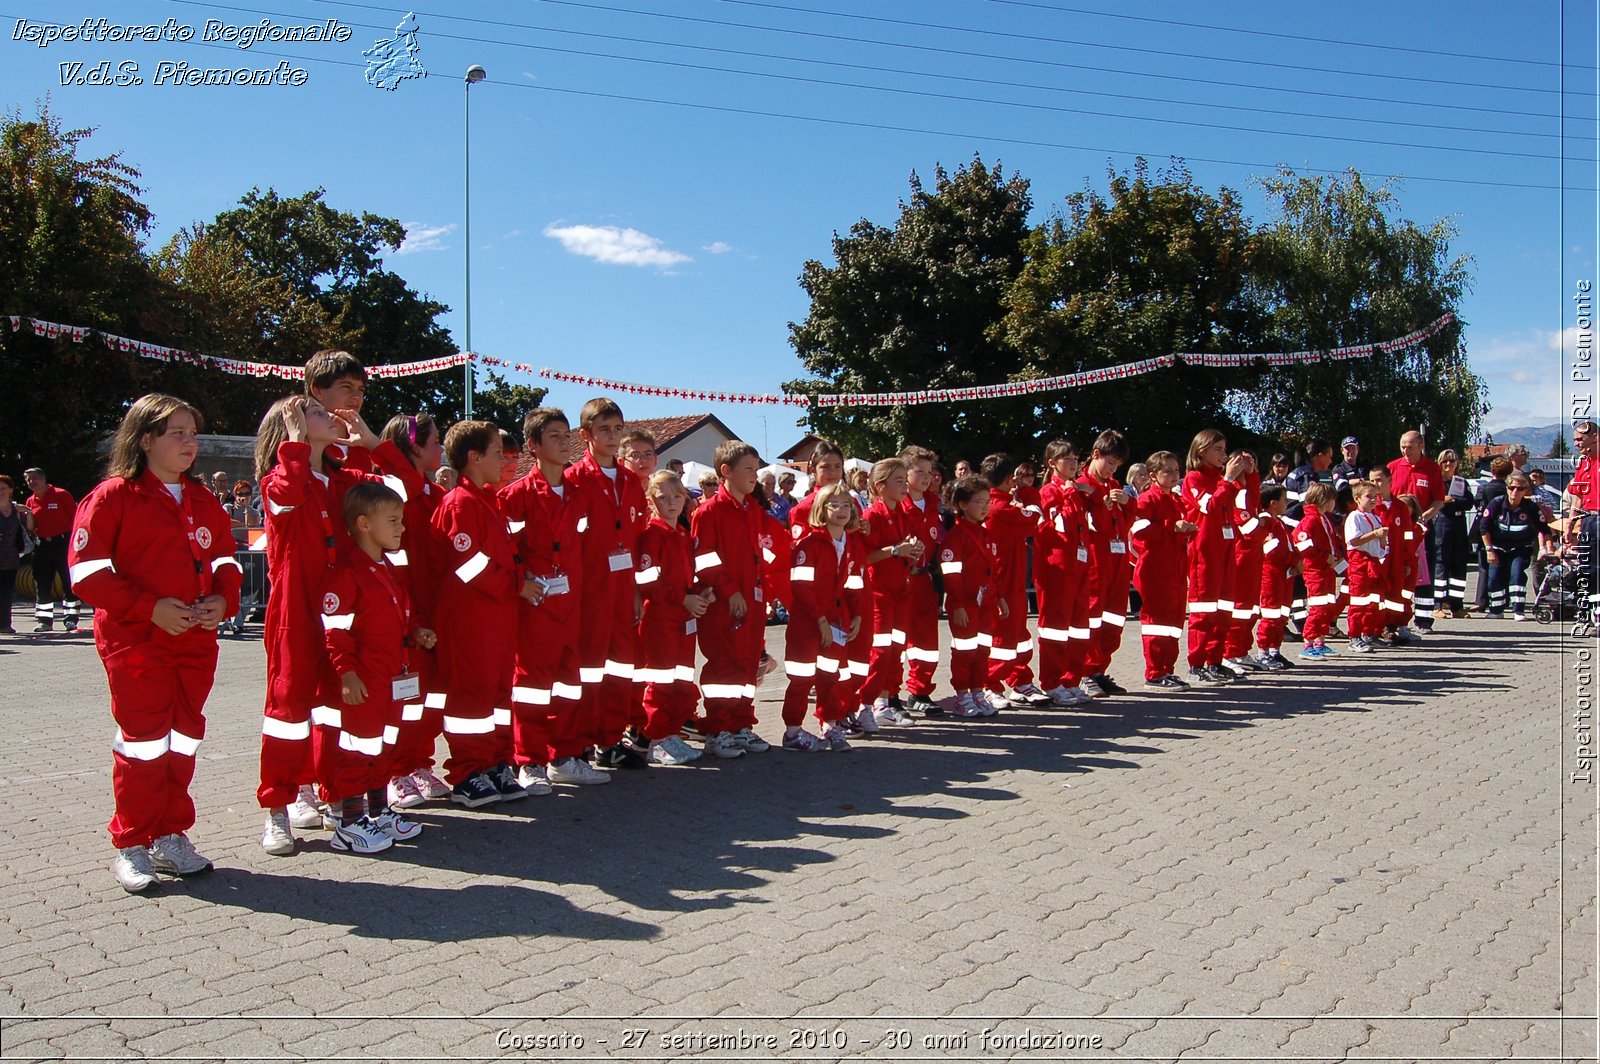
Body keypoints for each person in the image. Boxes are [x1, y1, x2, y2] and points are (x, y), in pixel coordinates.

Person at [69, 394, 241, 892]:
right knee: (143, 744)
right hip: (137, 641)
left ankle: (170, 835)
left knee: (184, 738)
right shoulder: (112, 496)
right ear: (145, 440)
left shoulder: (204, 499)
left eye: (193, 433)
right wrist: (150, 608)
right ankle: (132, 843)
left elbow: (227, 562)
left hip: (196, 642)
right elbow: (85, 574)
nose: (190, 442)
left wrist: (223, 601)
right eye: (177, 433)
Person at [253, 393, 383, 856]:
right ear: (290, 426)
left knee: (333, 709)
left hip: (339, 610)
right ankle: (278, 810)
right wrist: (293, 444)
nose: (328, 415)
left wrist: (366, 443)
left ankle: (331, 796)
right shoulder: (280, 478)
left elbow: (389, 492)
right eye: (315, 412)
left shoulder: (340, 479)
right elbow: (285, 497)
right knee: (287, 713)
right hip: (294, 612)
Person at [315, 482, 431, 853]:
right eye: (393, 521)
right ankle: (348, 824)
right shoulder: (347, 574)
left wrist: (416, 633)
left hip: (392, 679)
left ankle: (378, 813)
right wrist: (346, 673)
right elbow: (335, 631)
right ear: (364, 524)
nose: (401, 528)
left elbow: (396, 616)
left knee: (384, 747)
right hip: (365, 680)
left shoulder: (386, 567)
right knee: (357, 751)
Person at [431, 420, 533, 806]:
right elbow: (468, 564)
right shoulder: (459, 504)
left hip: (497, 620)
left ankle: (496, 762)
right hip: (470, 622)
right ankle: (466, 773)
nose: (503, 461)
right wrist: (516, 586)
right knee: (470, 700)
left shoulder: (488, 501)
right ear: (474, 458)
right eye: (496, 454)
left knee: (497, 696)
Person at [504, 409, 606, 787]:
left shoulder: (579, 493)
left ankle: (564, 757)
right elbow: (504, 549)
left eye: (567, 436)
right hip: (537, 608)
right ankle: (528, 762)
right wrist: (521, 580)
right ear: (533, 446)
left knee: (569, 684)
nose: (565, 443)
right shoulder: (516, 497)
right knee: (533, 687)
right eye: (554, 437)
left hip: (571, 606)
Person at [368, 413, 450, 807]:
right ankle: (393, 771)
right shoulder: (393, 491)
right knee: (403, 700)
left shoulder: (433, 495)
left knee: (430, 700)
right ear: (413, 447)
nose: (441, 449)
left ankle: (419, 762)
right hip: (406, 617)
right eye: (435, 442)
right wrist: (412, 621)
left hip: (435, 616)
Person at [565, 398, 650, 771]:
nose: (613, 436)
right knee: (588, 671)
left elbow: (632, 540)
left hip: (621, 589)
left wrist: (633, 591)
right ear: (586, 435)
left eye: (618, 429)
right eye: (604, 430)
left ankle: (611, 740)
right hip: (589, 590)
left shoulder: (631, 481)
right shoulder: (574, 480)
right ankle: (582, 740)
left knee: (620, 668)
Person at [691, 440, 770, 758]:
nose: (755, 475)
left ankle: (741, 725)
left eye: (756, 469)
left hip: (752, 602)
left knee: (748, 665)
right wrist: (731, 591)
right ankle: (718, 729)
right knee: (723, 666)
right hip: (724, 605)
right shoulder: (709, 511)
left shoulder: (751, 508)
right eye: (748, 469)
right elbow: (704, 559)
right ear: (726, 471)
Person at [635, 471, 710, 765]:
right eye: (663, 497)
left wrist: (702, 593)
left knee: (682, 679)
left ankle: (672, 733)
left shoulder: (681, 534)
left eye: (677, 496)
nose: (671, 502)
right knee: (661, 682)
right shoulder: (651, 536)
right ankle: (656, 738)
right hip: (660, 620)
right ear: (652, 500)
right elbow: (647, 580)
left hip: (683, 620)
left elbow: (688, 577)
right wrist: (683, 598)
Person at [782, 482, 864, 750]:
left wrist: (858, 615)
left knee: (830, 678)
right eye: (833, 505)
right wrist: (820, 621)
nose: (840, 510)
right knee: (802, 678)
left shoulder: (849, 543)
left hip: (836, 622)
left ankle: (830, 723)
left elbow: (853, 584)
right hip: (807, 625)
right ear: (821, 509)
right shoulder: (810, 545)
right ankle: (793, 732)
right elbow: (802, 588)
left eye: (845, 505)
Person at [1181, 430, 1252, 685]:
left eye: (1224, 449)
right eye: (1218, 449)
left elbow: (1245, 502)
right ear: (1201, 451)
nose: (1224, 455)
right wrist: (1229, 479)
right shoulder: (1194, 478)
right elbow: (1210, 506)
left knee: (1223, 610)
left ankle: (1215, 660)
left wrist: (1249, 475)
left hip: (1225, 550)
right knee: (1204, 611)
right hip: (1204, 554)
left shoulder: (1221, 479)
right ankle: (1197, 664)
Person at [856, 458, 924, 727]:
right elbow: (864, 556)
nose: (904, 485)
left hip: (902, 591)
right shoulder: (871, 515)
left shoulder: (903, 516)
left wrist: (914, 550)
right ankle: (865, 704)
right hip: (879, 593)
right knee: (880, 650)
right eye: (898, 480)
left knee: (895, 650)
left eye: (904, 480)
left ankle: (883, 703)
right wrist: (895, 551)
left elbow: (907, 550)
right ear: (879, 486)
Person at [980, 453, 1048, 708]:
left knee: (1018, 635)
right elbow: (1035, 520)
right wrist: (1030, 495)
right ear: (1010, 479)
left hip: (1011, 581)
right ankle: (990, 684)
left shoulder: (997, 504)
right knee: (1001, 639)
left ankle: (1019, 680)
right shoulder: (1001, 508)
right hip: (1002, 583)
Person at [1035, 440, 1094, 707]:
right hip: (1057, 568)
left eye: (1074, 458)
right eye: (1066, 459)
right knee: (1055, 629)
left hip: (1080, 566)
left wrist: (1082, 492)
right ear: (1052, 463)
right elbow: (1063, 526)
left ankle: (1072, 679)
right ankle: (1052, 683)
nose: (1073, 463)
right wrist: (1071, 493)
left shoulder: (1078, 491)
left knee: (1080, 628)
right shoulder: (1049, 492)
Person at [1130, 451, 1194, 690]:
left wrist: (1187, 529)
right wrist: (1170, 527)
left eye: (1176, 470)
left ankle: (1167, 669)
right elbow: (1137, 533)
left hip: (1175, 570)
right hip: (1155, 571)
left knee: (1174, 623)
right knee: (1157, 623)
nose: (1174, 475)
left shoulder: (1176, 501)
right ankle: (1154, 673)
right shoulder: (1147, 500)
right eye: (1167, 471)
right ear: (1154, 475)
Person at [1078, 430, 1135, 697]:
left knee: (1113, 620)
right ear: (1096, 455)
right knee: (1091, 618)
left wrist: (1128, 503)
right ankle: (1084, 671)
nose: (1112, 469)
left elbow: (1130, 520)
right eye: (1110, 462)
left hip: (1118, 561)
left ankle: (1100, 669)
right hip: (1095, 563)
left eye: (1116, 466)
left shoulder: (1113, 485)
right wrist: (1097, 503)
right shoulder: (1081, 485)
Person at [941, 476, 1002, 719]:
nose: (985, 506)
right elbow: (951, 574)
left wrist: (999, 599)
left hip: (985, 604)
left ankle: (978, 691)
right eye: (979, 502)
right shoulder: (956, 537)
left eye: (988, 501)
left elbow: (993, 573)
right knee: (965, 651)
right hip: (965, 605)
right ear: (963, 505)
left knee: (982, 650)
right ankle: (962, 695)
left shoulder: (987, 534)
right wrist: (957, 605)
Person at [898, 446, 944, 716]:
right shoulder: (896, 504)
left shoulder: (934, 504)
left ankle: (920, 691)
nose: (927, 477)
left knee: (927, 642)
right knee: (894, 641)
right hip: (900, 581)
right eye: (920, 471)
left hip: (925, 579)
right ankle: (888, 696)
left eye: (930, 472)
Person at [1481, 473, 1553, 620]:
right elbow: (1484, 528)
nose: (1515, 492)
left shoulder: (1530, 507)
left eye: (1519, 489)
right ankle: (1496, 610)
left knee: (1517, 574)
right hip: (1497, 547)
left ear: (1525, 490)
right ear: (1507, 488)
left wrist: (1548, 548)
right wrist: (1489, 550)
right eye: (1512, 487)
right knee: (1494, 577)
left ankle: (1518, 610)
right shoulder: (1496, 503)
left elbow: (1544, 529)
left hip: (1520, 548)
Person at [22, 466, 79, 633]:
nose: (32, 482)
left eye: (35, 478)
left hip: (63, 543)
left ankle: (71, 619)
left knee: (68, 582)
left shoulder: (61, 495)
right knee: (43, 582)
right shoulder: (30, 501)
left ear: (44, 478)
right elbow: (31, 528)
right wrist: (28, 514)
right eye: (28, 479)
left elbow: (76, 519)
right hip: (43, 545)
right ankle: (44, 621)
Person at [1292, 483, 1341, 659]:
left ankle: (1320, 642)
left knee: (1327, 607)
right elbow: (1302, 544)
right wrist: (1323, 557)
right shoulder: (1310, 521)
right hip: (1315, 570)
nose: (1334, 503)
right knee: (1318, 607)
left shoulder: (1323, 518)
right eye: (1332, 499)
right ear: (1324, 500)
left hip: (1326, 570)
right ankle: (1308, 643)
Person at [1252, 485, 1298, 670]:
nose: (1287, 503)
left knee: (1281, 614)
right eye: (1284, 500)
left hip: (1284, 574)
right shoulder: (1266, 521)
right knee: (1271, 614)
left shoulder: (1277, 521)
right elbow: (1272, 550)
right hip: (1271, 574)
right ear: (1273, 503)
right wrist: (1293, 560)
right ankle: (1263, 652)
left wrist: (1295, 562)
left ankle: (1275, 651)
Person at [1342, 480, 1390, 653]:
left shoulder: (1376, 516)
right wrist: (1375, 534)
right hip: (1360, 563)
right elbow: (1354, 541)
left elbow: (1382, 544)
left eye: (1375, 496)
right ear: (1357, 498)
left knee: (1374, 602)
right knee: (1358, 601)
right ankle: (1354, 637)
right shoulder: (1354, 517)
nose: (1373, 500)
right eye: (1368, 496)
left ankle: (1370, 633)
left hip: (1375, 562)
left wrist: (1383, 540)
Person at [1431, 450, 1474, 618]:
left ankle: (1456, 606)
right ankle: (1437, 605)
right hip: (1442, 524)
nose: (1448, 464)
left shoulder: (1461, 482)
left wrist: (1453, 500)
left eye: (1452, 461)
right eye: (1445, 462)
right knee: (1441, 565)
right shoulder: (1436, 481)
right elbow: (1437, 501)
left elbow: (1469, 502)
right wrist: (1445, 501)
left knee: (1459, 566)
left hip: (1459, 525)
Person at [219, 480, 263, 636]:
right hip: (231, 551)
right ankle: (236, 622)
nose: (243, 497)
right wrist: (241, 524)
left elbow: (253, 523)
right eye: (240, 494)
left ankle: (238, 619)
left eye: (247, 493)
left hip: (248, 551)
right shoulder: (228, 508)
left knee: (252, 587)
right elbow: (225, 522)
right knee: (235, 586)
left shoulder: (254, 511)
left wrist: (246, 510)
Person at [1471, 458, 1513, 612]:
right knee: (1504, 566)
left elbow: (1477, 504)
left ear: (1492, 471)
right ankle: (1503, 598)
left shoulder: (1484, 489)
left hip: (1485, 530)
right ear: (1508, 472)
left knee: (1483, 567)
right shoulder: (1508, 489)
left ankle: (1481, 600)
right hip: (1504, 531)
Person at [789, 440, 847, 531]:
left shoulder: (851, 503)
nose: (833, 473)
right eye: (825, 467)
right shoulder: (803, 509)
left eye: (837, 466)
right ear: (813, 469)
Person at [0, 474, 32, 635]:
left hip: (10, 557)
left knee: (6, 593)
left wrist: (29, 513)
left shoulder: (15, 509)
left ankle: (5, 624)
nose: (0, 492)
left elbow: (30, 528)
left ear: (11, 490)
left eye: (3, 488)